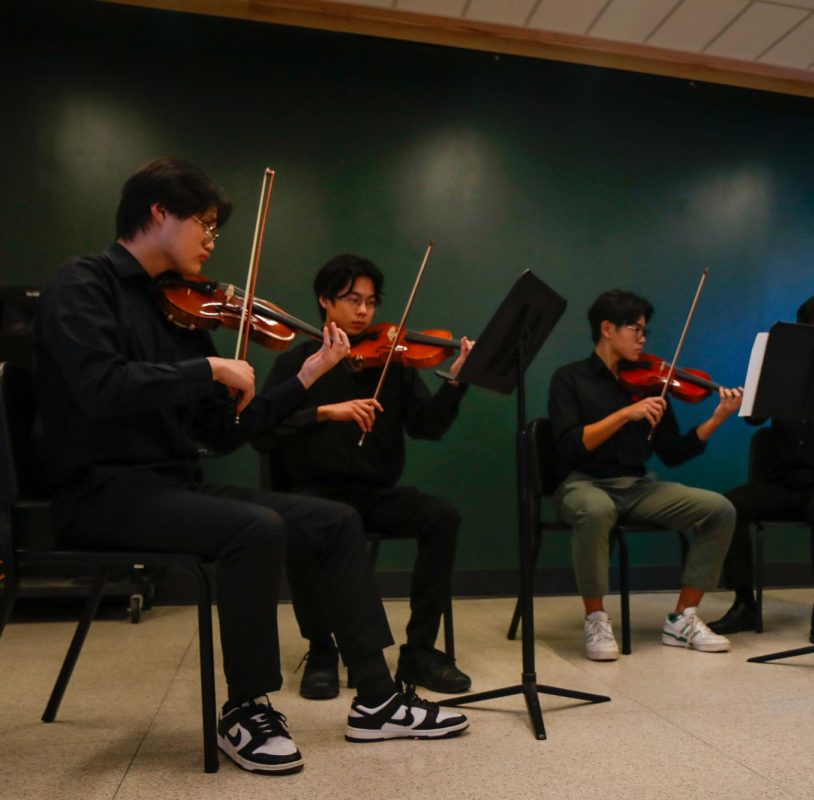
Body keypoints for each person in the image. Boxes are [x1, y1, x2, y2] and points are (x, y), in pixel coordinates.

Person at [32, 158, 467, 777]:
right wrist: (208, 369)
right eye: (204, 225)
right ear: (159, 214)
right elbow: (96, 386)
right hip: (98, 492)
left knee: (335, 520)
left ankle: (377, 699)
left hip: (173, 486)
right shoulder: (83, 285)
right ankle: (246, 708)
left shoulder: (178, 310)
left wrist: (307, 378)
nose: (212, 241)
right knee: (255, 527)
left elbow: (220, 431)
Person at [254, 253, 472, 696]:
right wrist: (323, 413)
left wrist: (455, 382)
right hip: (315, 493)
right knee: (309, 527)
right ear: (324, 300)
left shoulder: (392, 361)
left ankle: (419, 652)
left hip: (374, 492)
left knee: (442, 516)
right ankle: (320, 649)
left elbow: (426, 427)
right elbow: (263, 434)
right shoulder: (298, 362)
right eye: (352, 300)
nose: (364, 312)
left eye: (371, 302)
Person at [548, 289, 742, 661]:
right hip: (584, 483)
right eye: (635, 329)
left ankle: (683, 618)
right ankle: (596, 617)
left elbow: (673, 452)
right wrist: (625, 414)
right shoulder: (569, 378)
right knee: (596, 510)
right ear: (607, 328)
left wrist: (717, 418)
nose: (642, 339)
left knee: (720, 509)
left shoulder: (653, 383)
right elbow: (571, 446)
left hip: (637, 487)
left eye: (644, 331)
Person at [708, 297, 814, 639]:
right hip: (780, 484)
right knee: (729, 506)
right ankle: (743, 604)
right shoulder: (781, 366)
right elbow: (754, 417)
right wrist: (753, 390)